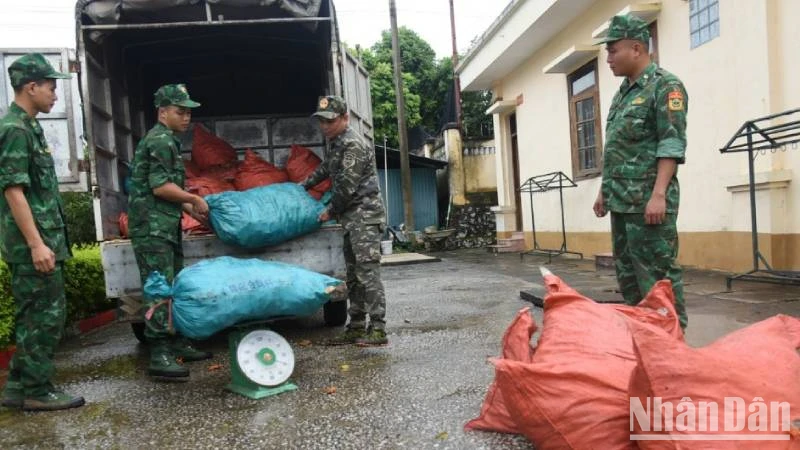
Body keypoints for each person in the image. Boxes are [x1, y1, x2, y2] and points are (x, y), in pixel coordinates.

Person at [0, 53, 85, 411]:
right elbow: (13, 191)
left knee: (36, 315)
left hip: (43, 242)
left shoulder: (28, 127)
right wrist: (37, 245)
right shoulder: (14, 130)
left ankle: (19, 386)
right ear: (30, 87)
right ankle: (37, 390)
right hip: (32, 247)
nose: (54, 94)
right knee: (45, 318)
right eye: (50, 87)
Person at [593, 14, 689, 329]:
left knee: (658, 279)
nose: (608, 58)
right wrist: (603, 191)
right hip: (621, 204)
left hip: (648, 204)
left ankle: (674, 349)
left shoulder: (666, 86)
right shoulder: (623, 93)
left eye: (612, 50)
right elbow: (619, 148)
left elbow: (671, 144)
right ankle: (646, 344)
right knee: (630, 280)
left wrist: (659, 194)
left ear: (636, 48)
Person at [128, 84, 212, 379]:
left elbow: (170, 191)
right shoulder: (160, 141)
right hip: (152, 230)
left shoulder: (169, 140)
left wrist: (195, 212)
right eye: (180, 111)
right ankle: (159, 352)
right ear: (163, 113)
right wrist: (193, 199)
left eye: (189, 112)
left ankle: (175, 340)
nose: (186, 117)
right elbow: (161, 187)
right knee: (159, 288)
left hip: (164, 225)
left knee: (172, 285)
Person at [303, 95, 388, 346]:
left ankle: (379, 329)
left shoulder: (353, 145)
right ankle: (357, 325)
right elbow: (325, 170)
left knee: (368, 274)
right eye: (321, 122)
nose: (324, 126)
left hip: (365, 217)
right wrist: (303, 186)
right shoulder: (337, 144)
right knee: (353, 275)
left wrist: (329, 210)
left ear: (344, 119)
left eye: (330, 121)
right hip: (352, 219)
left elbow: (346, 188)